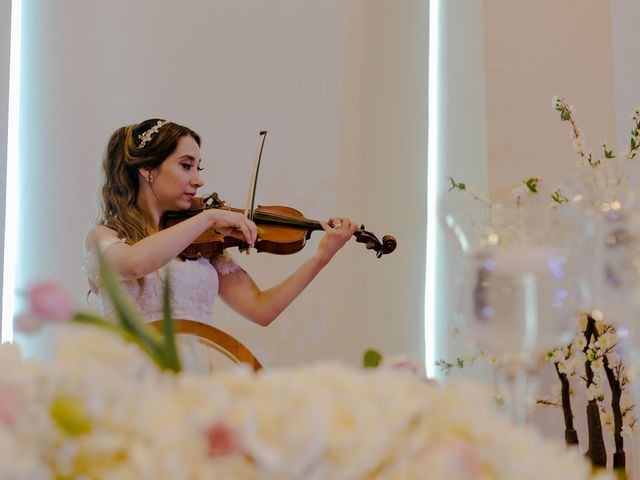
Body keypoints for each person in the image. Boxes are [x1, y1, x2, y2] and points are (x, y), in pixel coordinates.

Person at [83, 119, 356, 339]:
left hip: (199, 373)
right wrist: (207, 219)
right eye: (186, 166)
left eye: (198, 168)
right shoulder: (104, 238)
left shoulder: (201, 247)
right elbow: (133, 265)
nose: (198, 180)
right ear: (148, 170)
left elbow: (262, 309)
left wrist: (321, 257)